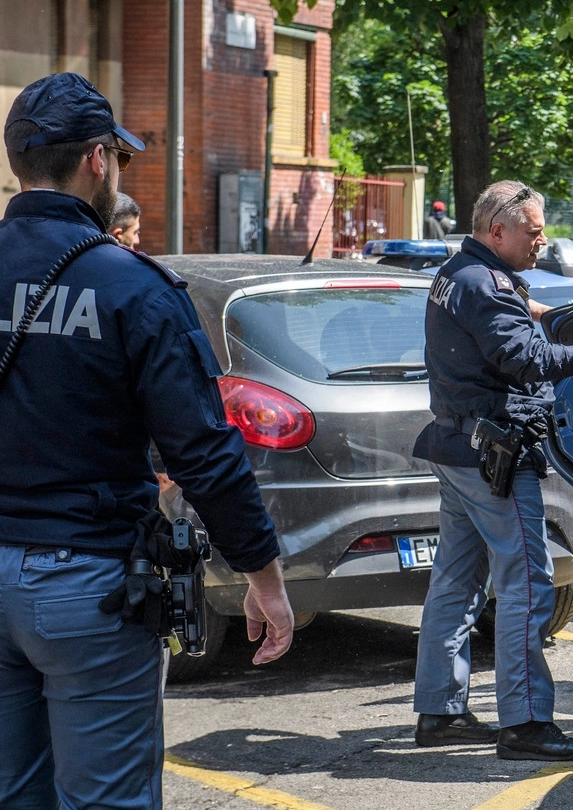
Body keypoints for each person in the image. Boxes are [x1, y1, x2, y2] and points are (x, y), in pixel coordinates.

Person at [0, 72, 294, 810]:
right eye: (119, 159)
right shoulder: (132, 286)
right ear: (98, 160)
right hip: (88, 586)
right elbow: (203, 451)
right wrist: (262, 575)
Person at [411, 179, 573, 760]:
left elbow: (502, 316)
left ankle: (440, 711)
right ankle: (525, 724)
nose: (543, 242)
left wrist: (539, 310)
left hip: (459, 451)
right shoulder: (485, 284)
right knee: (527, 585)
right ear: (496, 231)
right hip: (493, 460)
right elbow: (526, 359)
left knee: (455, 582)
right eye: (533, 233)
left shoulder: (460, 274)